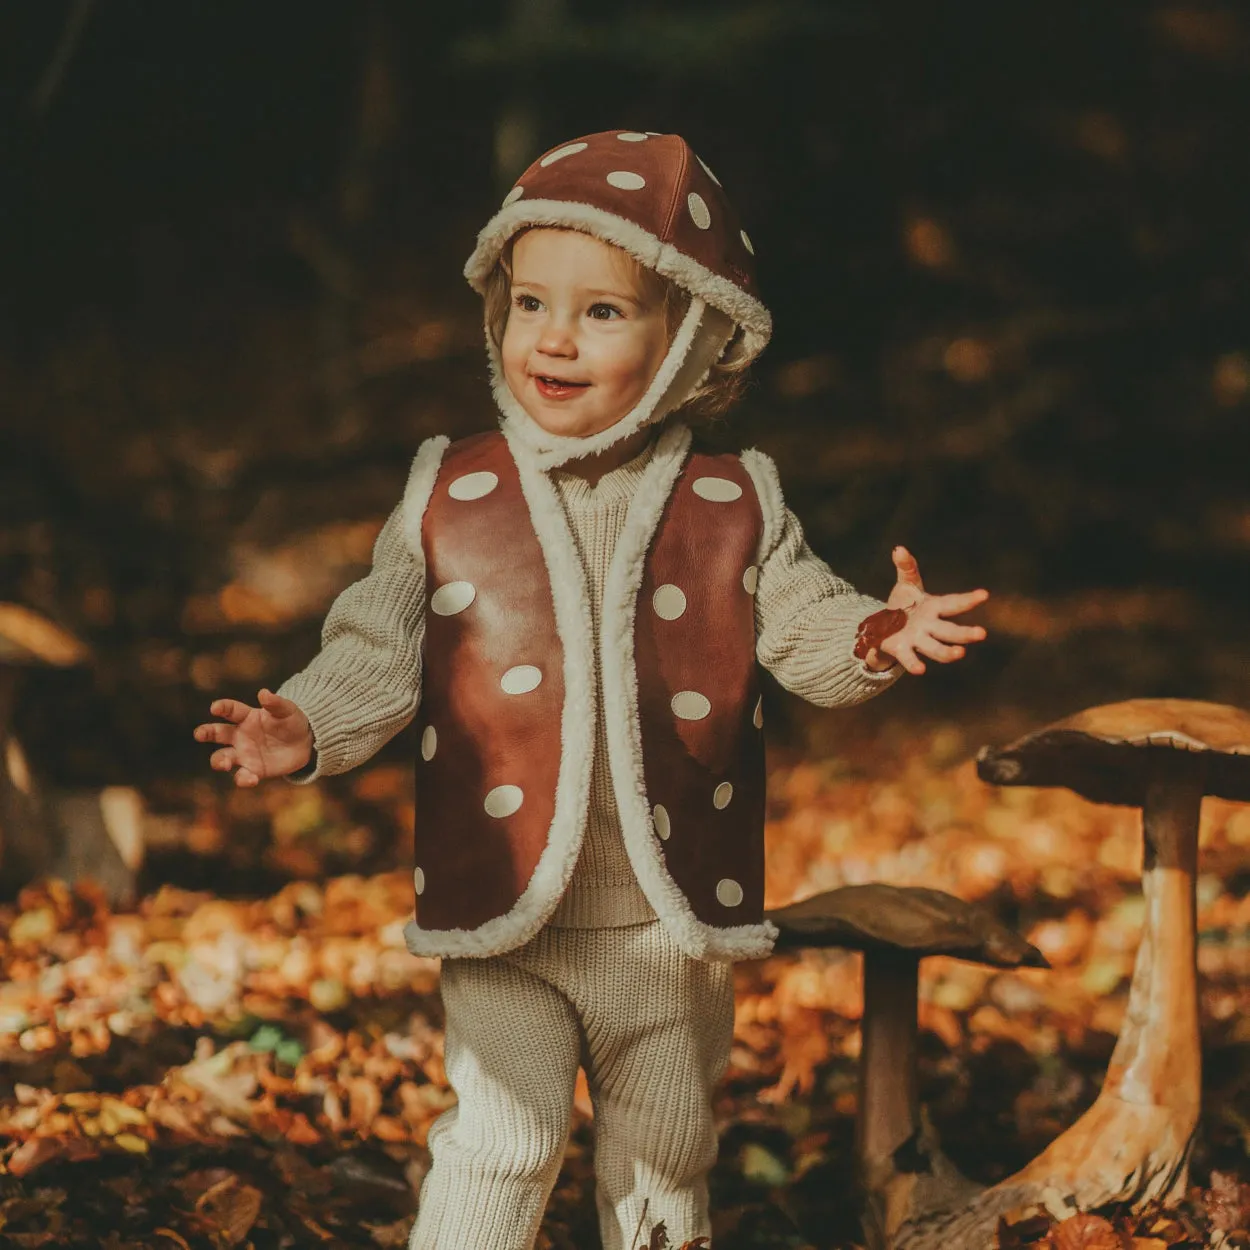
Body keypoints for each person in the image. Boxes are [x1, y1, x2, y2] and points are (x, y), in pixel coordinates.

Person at [193, 130, 989, 1250]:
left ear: (690, 343)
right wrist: (307, 723)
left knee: (661, 1152)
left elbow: (801, 626)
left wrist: (874, 632)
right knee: (504, 1136)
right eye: (528, 303)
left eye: (602, 312)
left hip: (667, 926)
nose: (552, 337)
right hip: (503, 917)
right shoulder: (451, 485)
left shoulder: (733, 499)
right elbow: (378, 643)